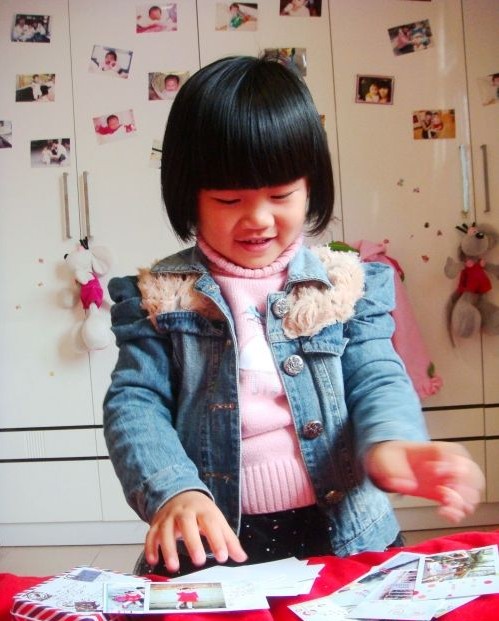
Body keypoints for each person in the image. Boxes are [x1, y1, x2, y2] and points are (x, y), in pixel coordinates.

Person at [103, 54, 484, 578]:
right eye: (229, 199)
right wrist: (173, 490)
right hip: (213, 539)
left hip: (346, 533)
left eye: (281, 194)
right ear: (189, 196)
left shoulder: (345, 286)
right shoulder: (160, 298)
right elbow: (135, 403)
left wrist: (394, 442)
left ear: (311, 187)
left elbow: (376, 375)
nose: (258, 218)